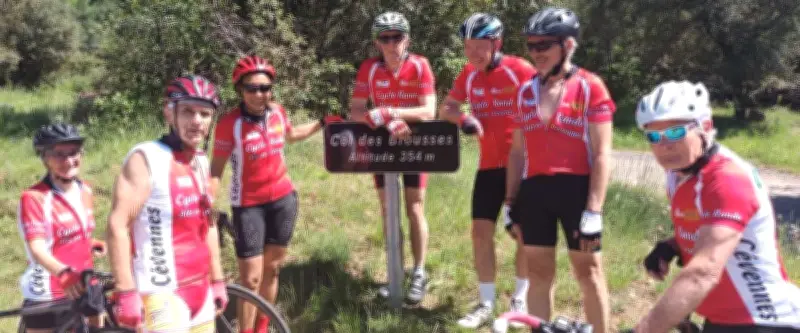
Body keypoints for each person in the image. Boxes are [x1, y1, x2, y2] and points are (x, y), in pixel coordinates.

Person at [632, 81, 800, 333]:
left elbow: (703, 272)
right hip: (723, 319)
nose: (664, 145)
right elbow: (712, 233)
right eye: (654, 136)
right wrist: (672, 245)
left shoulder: (726, 180)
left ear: (706, 127)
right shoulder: (679, 174)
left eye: (675, 132)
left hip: (764, 320)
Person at [211, 55, 340, 333]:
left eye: (265, 88)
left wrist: (321, 123)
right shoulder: (230, 123)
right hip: (248, 206)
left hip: (283, 200)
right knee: (251, 279)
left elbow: (291, 135)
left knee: (272, 270)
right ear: (240, 90)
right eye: (252, 88)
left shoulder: (277, 112)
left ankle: (263, 327)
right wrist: (207, 203)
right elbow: (215, 170)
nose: (260, 94)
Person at [506, 7, 615, 333]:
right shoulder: (525, 91)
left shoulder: (590, 86)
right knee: (539, 273)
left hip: (577, 191)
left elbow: (603, 153)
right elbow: (517, 152)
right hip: (535, 192)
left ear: (567, 45)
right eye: (531, 45)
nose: (536, 52)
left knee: (588, 272)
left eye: (544, 45)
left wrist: (594, 209)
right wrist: (510, 202)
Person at [107, 75, 228, 332]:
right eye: (188, 112)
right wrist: (125, 290)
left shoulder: (200, 161)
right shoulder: (146, 158)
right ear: (169, 113)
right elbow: (118, 225)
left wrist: (217, 279)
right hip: (161, 292)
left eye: (205, 114)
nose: (197, 121)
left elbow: (208, 223)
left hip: (200, 288)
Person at [439, 13, 537, 328]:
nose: (473, 53)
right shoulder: (469, 74)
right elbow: (447, 107)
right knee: (481, 233)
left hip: (521, 165)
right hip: (487, 167)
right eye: (467, 47)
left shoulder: (519, 70)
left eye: (480, 46)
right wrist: (464, 119)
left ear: (497, 43)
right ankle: (486, 302)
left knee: (522, 232)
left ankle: (520, 297)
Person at [347, 11, 437, 304]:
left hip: (414, 143)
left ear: (406, 38)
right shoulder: (369, 68)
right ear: (377, 42)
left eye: (396, 37)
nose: (391, 43)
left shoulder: (420, 65)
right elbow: (356, 110)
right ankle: (395, 272)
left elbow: (428, 111)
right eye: (385, 38)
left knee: (414, 207)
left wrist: (391, 112)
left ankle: (419, 271)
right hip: (382, 144)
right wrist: (382, 120)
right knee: (388, 209)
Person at [16, 123, 107, 332]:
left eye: (73, 152)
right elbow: (37, 248)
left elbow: (72, 232)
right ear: (44, 158)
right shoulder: (35, 198)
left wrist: (90, 243)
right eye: (59, 154)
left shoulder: (85, 190)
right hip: (48, 292)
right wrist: (63, 274)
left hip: (85, 283)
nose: (68, 160)